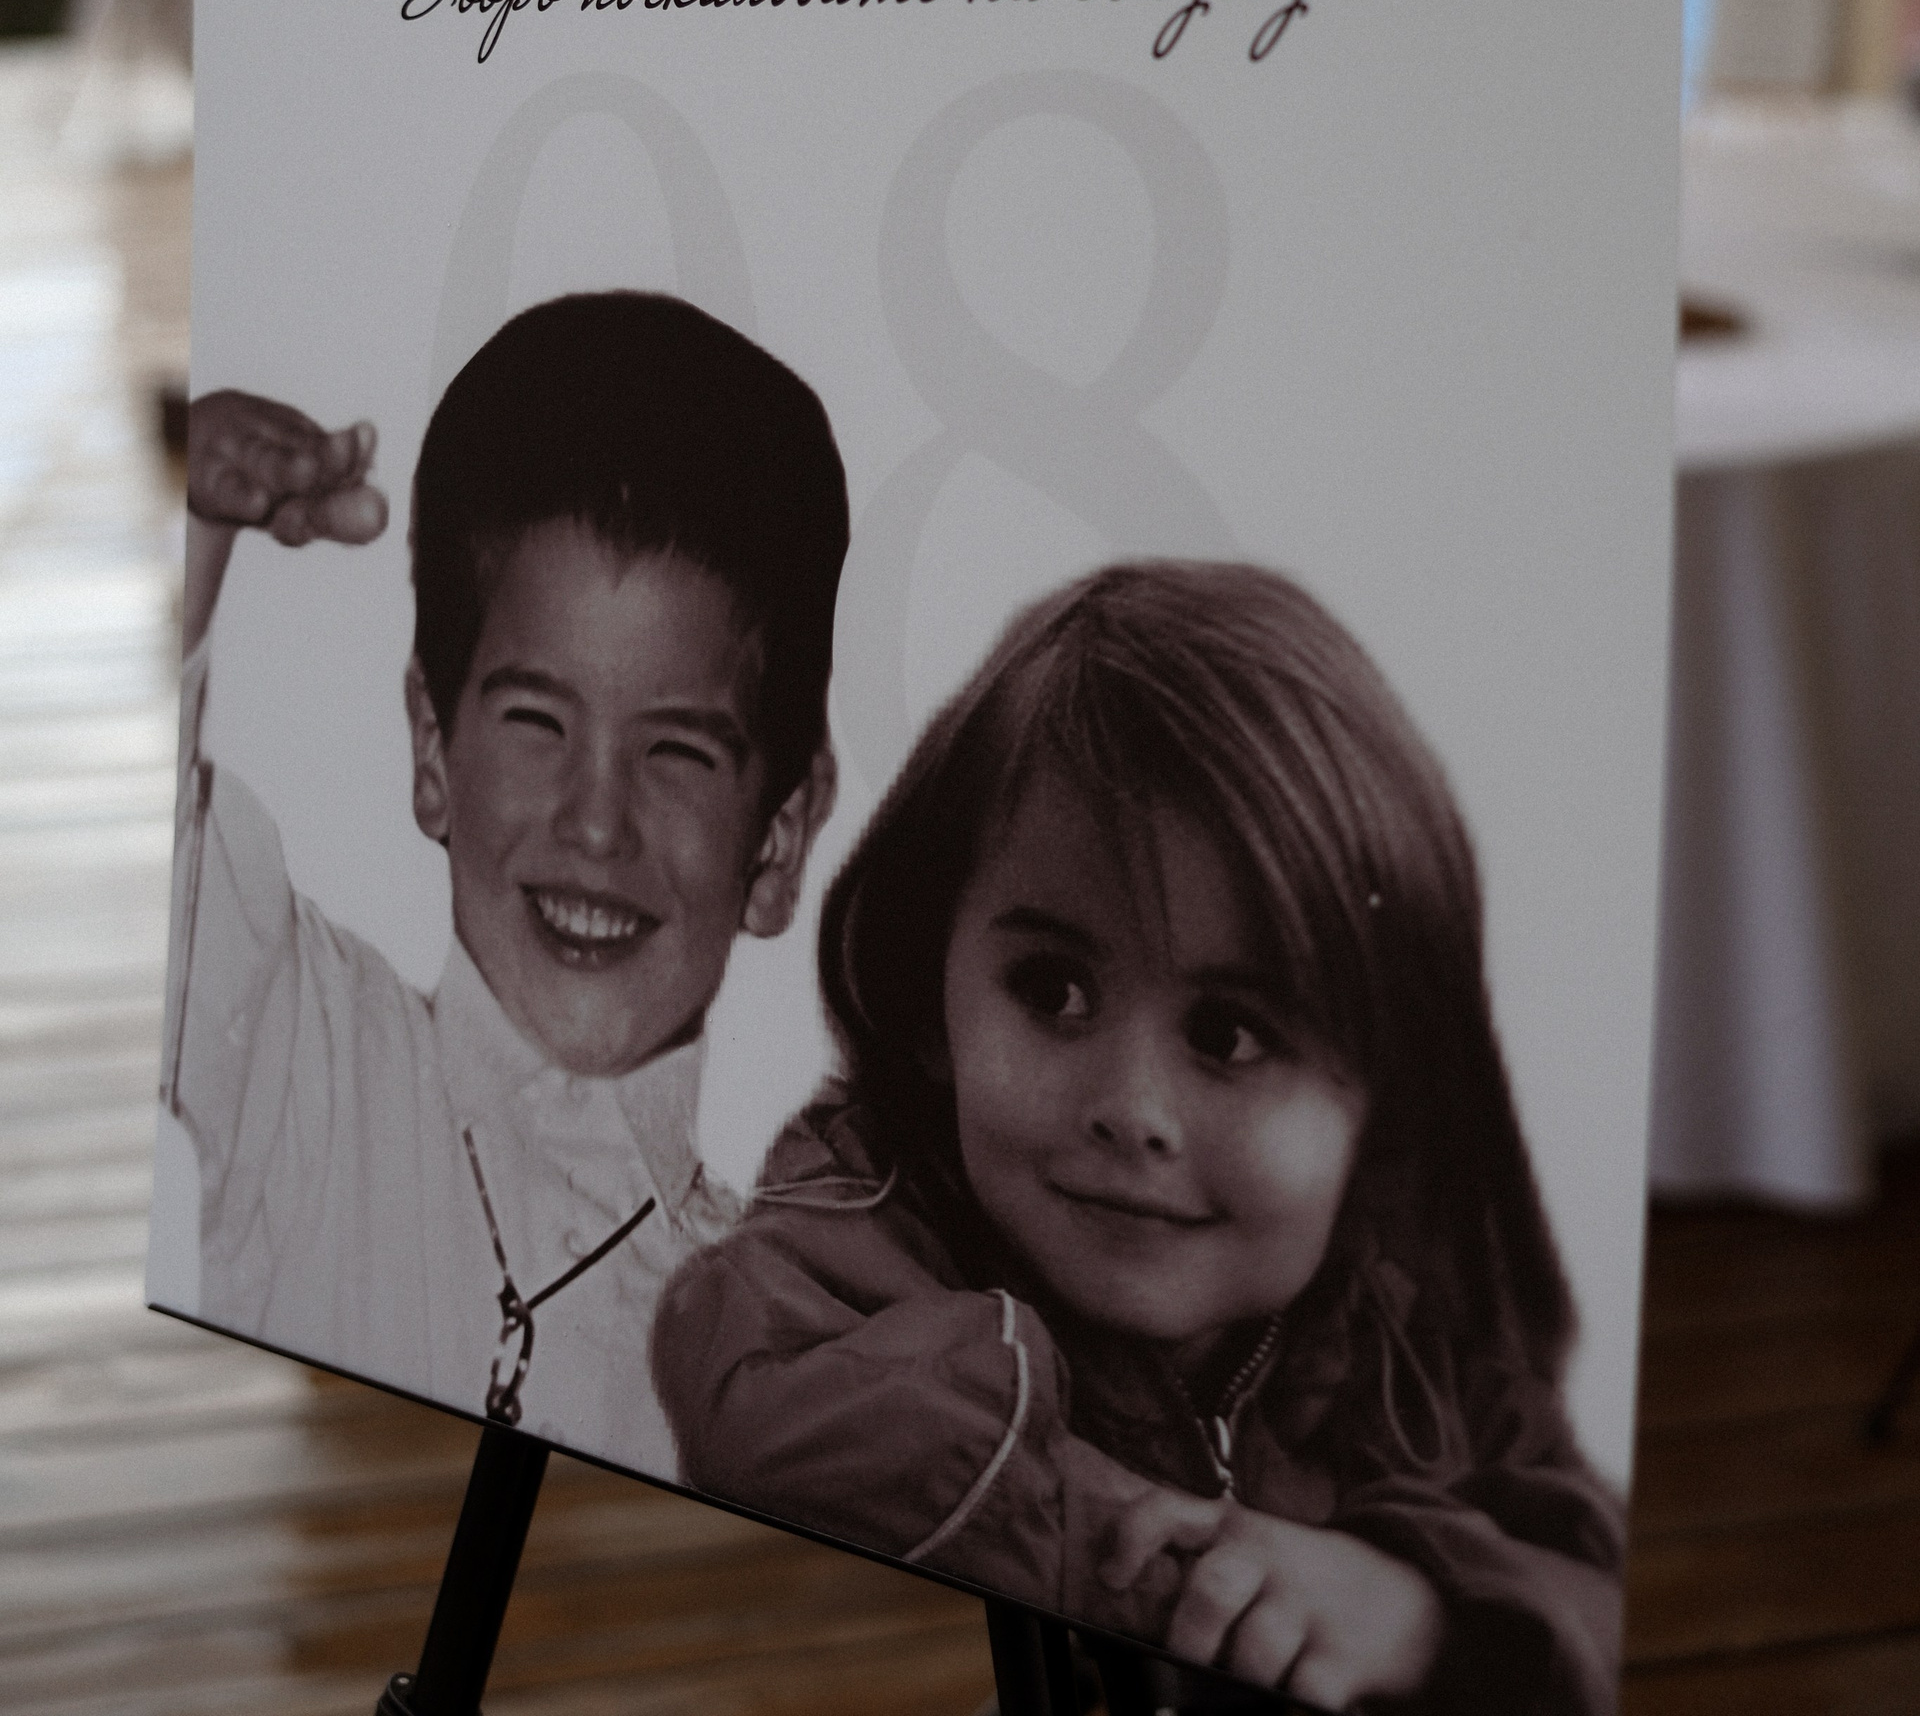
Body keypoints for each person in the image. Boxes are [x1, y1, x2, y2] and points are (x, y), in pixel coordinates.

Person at [651, 562, 1622, 1711]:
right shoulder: (841, 1258)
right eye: (1053, 991)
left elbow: (1595, 1577)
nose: (1132, 1107)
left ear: (1385, 1092)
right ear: (929, 996)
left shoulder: (1403, 1331)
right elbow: (788, 1421)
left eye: (1229, 1034)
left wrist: (1419, 1608)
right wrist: (1208, 1579)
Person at [161, 290, 848, 1472]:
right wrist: (184, 526)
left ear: (777, 845)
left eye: (676, 753)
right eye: (537, 722)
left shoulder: (771, 1355)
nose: (597, 822)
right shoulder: (298, 1054)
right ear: (433, 753)